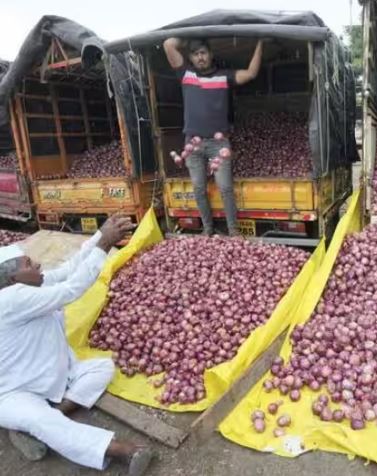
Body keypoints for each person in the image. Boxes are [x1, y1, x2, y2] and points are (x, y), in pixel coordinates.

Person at [0, 216, 154, 475]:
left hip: (52, 375)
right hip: (12, 393)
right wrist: (105, 243)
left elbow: (70, 269)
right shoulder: (10, 300)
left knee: (102, 368)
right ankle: (121, 450)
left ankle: (53, 415)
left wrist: (99, 237)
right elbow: (73, 287)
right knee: (39, 420)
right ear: (13, 279)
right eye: (29, 263)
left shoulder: (30, 284)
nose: (37, 264)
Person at [163, 36, 264, 236]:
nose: (200, 57)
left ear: (211, 54)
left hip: (219, 144)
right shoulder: (186, 74)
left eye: (203, 52)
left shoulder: (224, 76)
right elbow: (168, 44)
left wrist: (260, 42)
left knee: (225, 188)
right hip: (193, 144)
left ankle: (233, 230)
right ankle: (207, 229)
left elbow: (251, 73)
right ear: (190, 58)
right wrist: (190, 37)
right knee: (199, 189)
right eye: (195, 54)